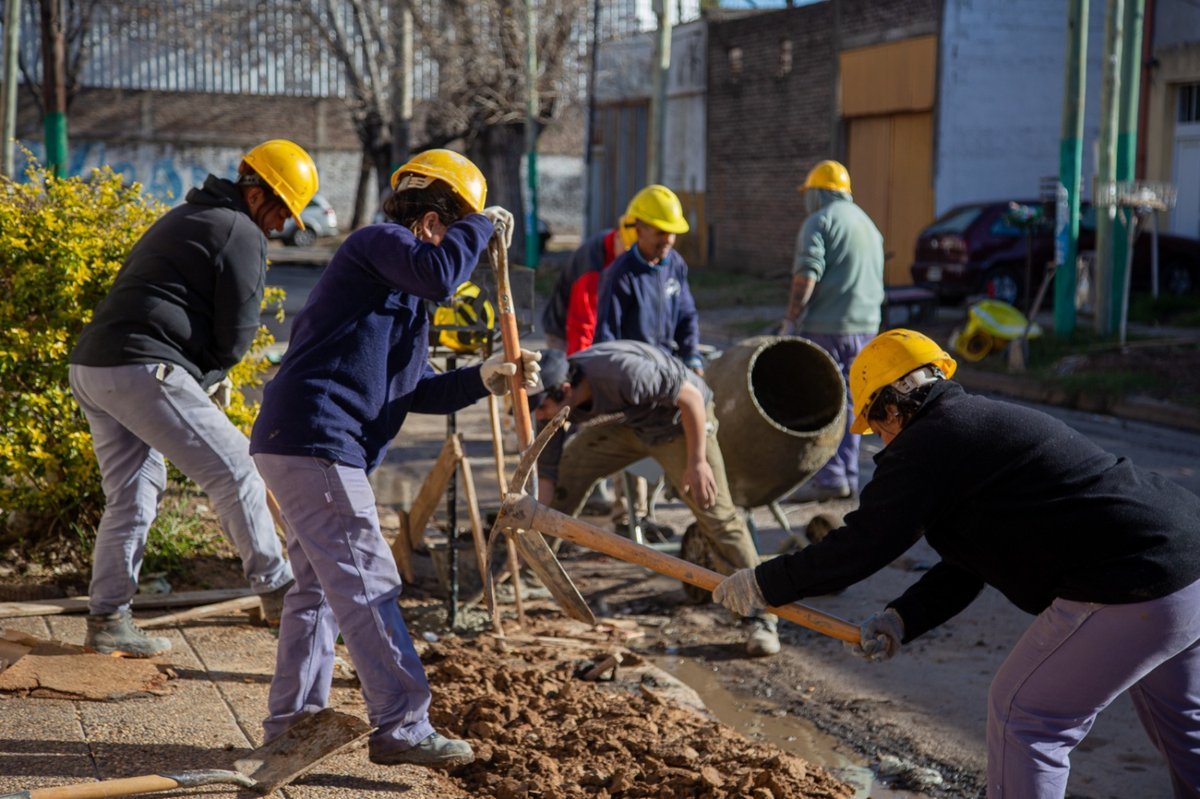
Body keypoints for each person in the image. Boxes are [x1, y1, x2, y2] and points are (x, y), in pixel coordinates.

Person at [713, 328, 1200, 797]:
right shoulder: (968, 429)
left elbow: (862, 545)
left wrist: (763, 583)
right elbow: (971, 562)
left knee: (1024, 716)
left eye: (875, 424)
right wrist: (903, 617)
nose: (880, 438)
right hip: (1187, 563)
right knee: (1181, 727)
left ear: (889, 406)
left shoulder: (929, 444)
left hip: (1135, 578)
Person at [248, 148, 539, 770]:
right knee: (370, 582)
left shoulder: (400, 292)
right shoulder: (375, 242)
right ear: (433, 219)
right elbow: (440, 272)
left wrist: (485, 378)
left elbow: (409, 390)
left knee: (318, 590)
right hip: (315, 442)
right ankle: (403, 725)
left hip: (300, 442)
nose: (459, 254)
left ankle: (291, 721)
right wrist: (485, 223)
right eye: (455, 228)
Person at [69, 139, 317, 657]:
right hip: (141, 367)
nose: (281, 226)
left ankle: (108, 618)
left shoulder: (190, 215)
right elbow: (237, 332)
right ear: (259, 196)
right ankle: (279, 590)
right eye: (282, 213)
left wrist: (201, 375)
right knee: (235, 470)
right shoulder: (240, 232)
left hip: (94, 367)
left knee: (134, 495)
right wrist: (213, 373)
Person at [532, 342, 779, 657]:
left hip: (682, 423)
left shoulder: (623, 374)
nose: (537, 415)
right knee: (570, 471)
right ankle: (533, 575)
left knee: (716, 514)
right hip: (633, 426)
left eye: (540, 408)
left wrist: (697, 462)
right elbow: (548, 471)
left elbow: (690, 398)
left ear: (564, 389)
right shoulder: (551, 396)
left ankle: (760, 617)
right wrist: (539, 514)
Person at [780, 160, 884, 503]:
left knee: (825, 402)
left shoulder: (819, 221)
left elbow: (807, 274)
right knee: (854, 402)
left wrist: (791, 319)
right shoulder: (868, 224)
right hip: (866, 328)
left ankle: (828, 478)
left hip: (828, 328)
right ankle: (846, 475)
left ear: (818, 192)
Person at [594, 184, 703, 375]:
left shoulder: (675, 265)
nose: (668, 240)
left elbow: (686, 316)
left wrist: (691, 354)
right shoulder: (620, 274)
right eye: (660, 232)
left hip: (667, 367)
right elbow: (606, 334)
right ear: (639, 230)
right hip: (633, 372)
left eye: (672, 233)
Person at [540, 216, 630, 353]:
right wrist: (580, 366)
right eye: (627, 251)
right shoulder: (592, 264)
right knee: (564, 371)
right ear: (618, 236)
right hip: (563, 335)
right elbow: (581, 324)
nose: (628, 258)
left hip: (594, 334)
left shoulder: (617, 247)